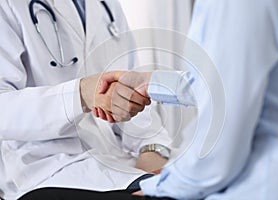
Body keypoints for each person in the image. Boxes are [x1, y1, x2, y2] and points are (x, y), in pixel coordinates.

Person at [97, 0, 278, 199]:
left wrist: (163, 187)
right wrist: (150, 83)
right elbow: (232, 79)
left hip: (263, 184)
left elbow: (220, 143)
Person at [0, 0, 172, 199]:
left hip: (117, 163)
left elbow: (133, 87)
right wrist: (81, 94)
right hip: (45, 170)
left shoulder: (105, 4)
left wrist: (151, 149)